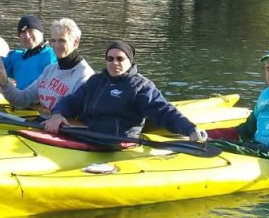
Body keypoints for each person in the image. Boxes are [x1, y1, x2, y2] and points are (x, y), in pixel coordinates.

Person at [43, 40, 207, 142]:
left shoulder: (141, 86)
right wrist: (57, 114)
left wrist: (190, 130)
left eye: (120, 59)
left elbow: (164, 111)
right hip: (88, 136)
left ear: (130, 61)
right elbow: (72, 100)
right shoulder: (96, 81)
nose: (114, 62)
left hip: (117, 143)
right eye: (110, 58)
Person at [0, 17, 93, 112]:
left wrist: (56, 116)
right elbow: (22, 99)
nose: (56, 45)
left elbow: (83, 117)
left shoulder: (85, 77)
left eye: (62, 41)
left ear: (76, 42)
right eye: (53, 40)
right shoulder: (49, 70)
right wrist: (4, 83)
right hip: (41, 121)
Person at [0, 14, 56, 91]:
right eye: (23, 32)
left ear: (41, 32)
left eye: (31, 31)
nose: (27, 36)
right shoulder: (16, 58)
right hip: (21, 100)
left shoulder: (52, 56)